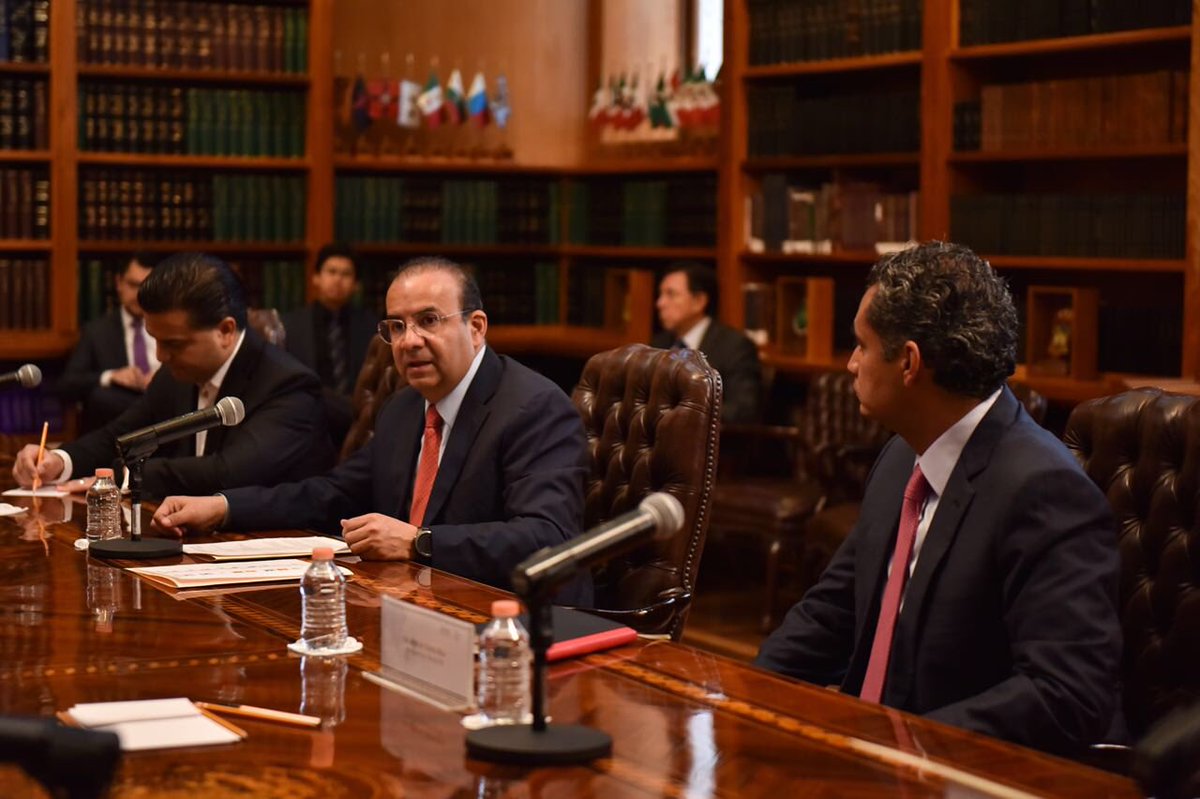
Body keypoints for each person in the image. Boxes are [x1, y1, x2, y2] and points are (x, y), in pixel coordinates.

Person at [754, 241, 1121, 757]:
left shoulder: (1043, 491)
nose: (851, 362)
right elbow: (830, 613)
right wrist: (745, 700)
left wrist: (907, 747)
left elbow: (1065, 694)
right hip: (864, 761)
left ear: (909, 362)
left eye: (861, 344)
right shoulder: (901, 456)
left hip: (958, 773)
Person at [151, 257, 592, 605]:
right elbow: (332, 493)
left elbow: (546, 537)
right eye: (396, 326)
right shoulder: (403, 409)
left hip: (511, 624)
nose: (408, 340)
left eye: (429, 320)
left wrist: (420, 542)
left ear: (475, 328)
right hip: (412, 609)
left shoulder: (533, 408)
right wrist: (223, 507)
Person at [13, 252, 335, 499]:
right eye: (155, 340)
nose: (159, 356)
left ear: (225, 331)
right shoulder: (175, 373)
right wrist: (58, 459)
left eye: (173, 344)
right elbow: (121, 437)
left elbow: (228, 471)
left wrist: (116, 476)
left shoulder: (287, 385)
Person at [281, 244, 378, 446]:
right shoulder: (289, 326)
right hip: (306, 427)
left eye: (346, 274)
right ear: (316, 278)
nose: (337, 280)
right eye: (331, 272)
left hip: (359, 430)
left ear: (356, 284)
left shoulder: (372, 327)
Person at [55, 252, 161, 432]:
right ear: (119, 283)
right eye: (133, 285)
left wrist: (163, 377)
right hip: (119, 418)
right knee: (101, 398)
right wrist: (111, 376)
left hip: (165, 408)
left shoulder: (169, 325)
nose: (139, 294)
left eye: (146, 286)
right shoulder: (97, 331)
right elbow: (68, 385)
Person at [652, 262, 762, 423]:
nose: (660, 303)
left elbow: (743, 409)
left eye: (671, 294)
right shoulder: (659, 343)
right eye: (660, 294)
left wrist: (685, 416)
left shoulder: (734, 347)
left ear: (699, 301)